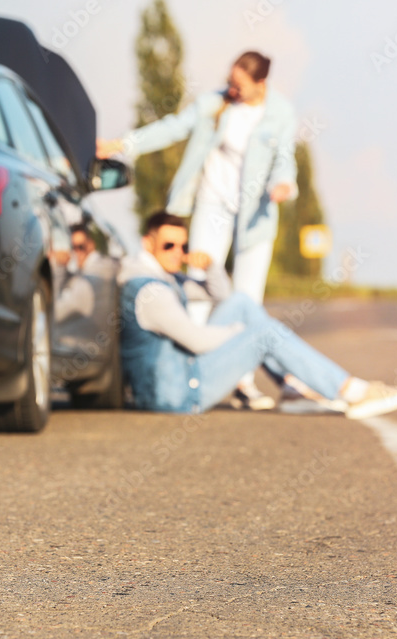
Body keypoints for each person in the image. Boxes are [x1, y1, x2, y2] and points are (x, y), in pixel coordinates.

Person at [97, 50, 296, 410]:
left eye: (239, 85)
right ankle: (188, 365)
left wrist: (283, 185)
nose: (231, 89)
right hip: (212, 202)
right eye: (230, 81)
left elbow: (285, 160)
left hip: (256, 212)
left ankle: (243, 381)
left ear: (260, 84)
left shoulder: (280, 113)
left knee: (246, 297)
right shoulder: (215, 104)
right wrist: (123, 145)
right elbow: (172, 128)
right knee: (196, 285)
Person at [118, 212, 397, 419]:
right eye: (169, 245)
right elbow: (196, 341)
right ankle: (352, 391)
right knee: (265, 333)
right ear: (148, 243)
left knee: (241, 303)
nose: (177, 252)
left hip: (179, 375)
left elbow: (221, 296)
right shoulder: (151, 292)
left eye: (182, 246)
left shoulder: (163, 277)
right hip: (177, 394)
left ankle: (290, 390)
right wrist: (242, 334)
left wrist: (211, 267)